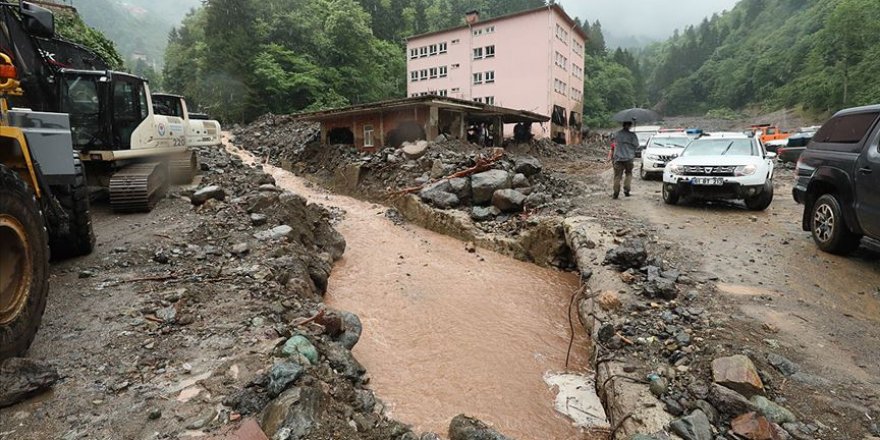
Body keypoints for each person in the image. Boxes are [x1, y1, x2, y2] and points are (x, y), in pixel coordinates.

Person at [609, 120, 639, 199]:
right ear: (630, 126)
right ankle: (627, 190)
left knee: (617, 176)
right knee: (628, 173)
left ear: (623, 125)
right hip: (629, 158)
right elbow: (636, 145)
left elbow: (612, 140)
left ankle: (616, 193)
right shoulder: (632, 135)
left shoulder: (616, 134)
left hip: (618, 158)